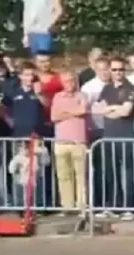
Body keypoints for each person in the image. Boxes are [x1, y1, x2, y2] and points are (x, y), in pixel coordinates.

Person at [92, 56, 134, 219]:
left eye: (121, 69)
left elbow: (126, 111)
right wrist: (115, 109)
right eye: (114, 70)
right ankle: (112, 206)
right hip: (108, 136)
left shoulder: (130, 88)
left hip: (125, 136)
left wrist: (110, 109)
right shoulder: (107, 89)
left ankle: (129, 208)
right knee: (110, 173)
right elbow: (96, 109)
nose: (118, 73)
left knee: (127, 173)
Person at [50, 71, 89, 216]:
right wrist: (74, 112)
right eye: (66, 81)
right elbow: (54, 116)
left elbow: (83, 110)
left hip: (79, 141)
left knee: (81, 176)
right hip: (61, 141)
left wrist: (65, 112)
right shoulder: (57, 96)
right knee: (63, 176)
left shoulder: (82, 95)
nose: (69, 83)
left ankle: (82, 206)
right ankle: (67, 206)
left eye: (72, 80)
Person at [7, 139, 50, 208]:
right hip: (22, 181)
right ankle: (23, 208)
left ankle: (35, 208)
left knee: (35, 195)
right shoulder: (19, 157)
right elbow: (11, 169)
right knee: (23, 195)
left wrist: (42, 151)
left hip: (36, 179)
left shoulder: (39, 153)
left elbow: (46, 162)